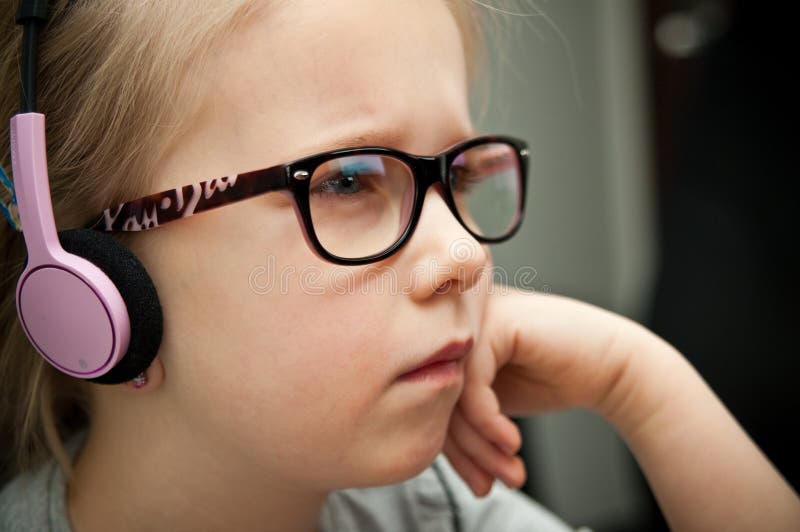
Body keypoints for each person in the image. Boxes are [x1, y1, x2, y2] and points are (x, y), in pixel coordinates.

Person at [0, 1, 797, 531]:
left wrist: (639, 384)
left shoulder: (434, 510)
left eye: (460, 176)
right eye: (347, 181)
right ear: (88, 279)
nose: (466, 254)